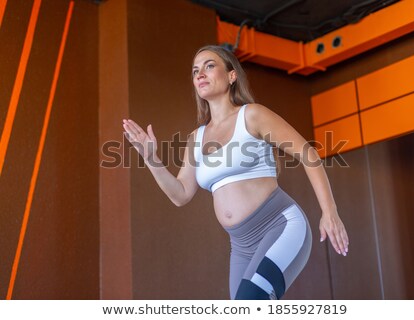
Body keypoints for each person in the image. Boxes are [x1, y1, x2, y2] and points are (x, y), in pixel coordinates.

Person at [122, 45, 349, 300]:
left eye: (209, 66)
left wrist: (330, 212)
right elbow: (181, 195)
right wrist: (151, 159)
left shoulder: (252, 116)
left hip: (280, 225)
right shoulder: (196, 138)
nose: (200, 74)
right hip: (241, 246)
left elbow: (308, 153)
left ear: (232, 76)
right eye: (195, 70)